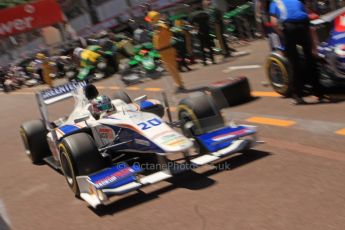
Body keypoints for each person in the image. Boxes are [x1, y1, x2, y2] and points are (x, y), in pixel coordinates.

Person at [269, 0, 324, 104]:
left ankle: (298, 96)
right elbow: (307, 16)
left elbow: (274, 23)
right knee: (310, 59)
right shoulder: (297, 1)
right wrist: (314, 47)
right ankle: (319, 93)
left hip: (289, 28)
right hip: (304, 26)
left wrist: (283, 35)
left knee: (294, 62)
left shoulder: (274, 3)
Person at [145, 11, 185, 92]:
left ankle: (180, 85)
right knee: (170, 69)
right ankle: (179, 84)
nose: (149, 22)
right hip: (163, 52)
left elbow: (165, 28)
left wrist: (159, 24)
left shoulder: (161, 26)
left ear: (154, 19)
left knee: (173, 69)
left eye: (150, 20)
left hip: (167, 50)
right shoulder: (157, 28)